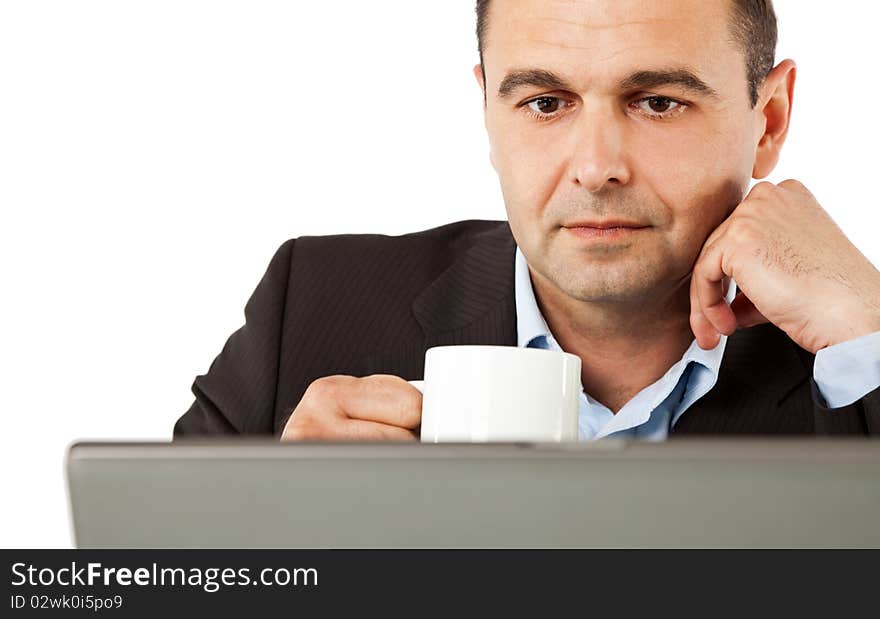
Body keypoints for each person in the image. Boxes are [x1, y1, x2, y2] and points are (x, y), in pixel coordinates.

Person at [174, 0, 880, 441]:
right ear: (488, 112)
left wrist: (871, 329)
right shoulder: (312, 308)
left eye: (658, 101)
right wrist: (278, 535)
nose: (598, 166)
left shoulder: (853, 356)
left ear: (771, 119)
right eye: (546, 102)